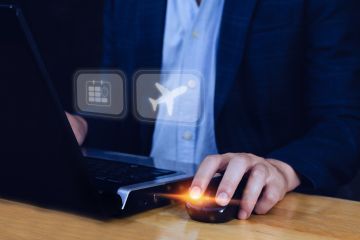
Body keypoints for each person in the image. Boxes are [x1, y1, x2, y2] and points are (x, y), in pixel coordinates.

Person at [66, 0, 360, 219]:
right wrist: (82, 126)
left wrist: (281, 169)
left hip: (253, 218)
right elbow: (118, 104)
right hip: (143, 211)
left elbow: (344, 122)